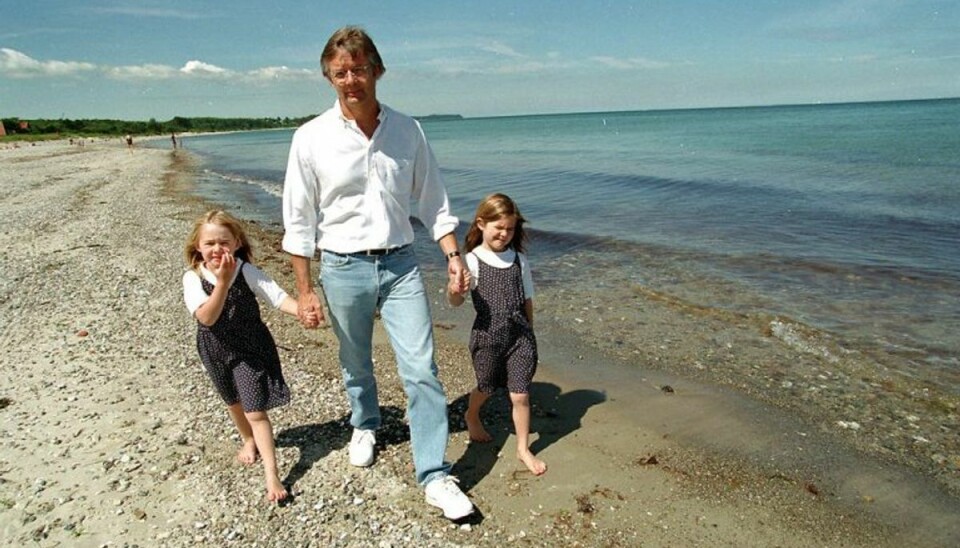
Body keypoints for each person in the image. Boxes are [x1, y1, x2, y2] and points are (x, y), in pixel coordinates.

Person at [281, 26, 474, 520]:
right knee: (356, 359)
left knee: (422, 369)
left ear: (377, 71)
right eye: (341, 72)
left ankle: (433, 474)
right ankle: (364, 422)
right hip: (342, 266)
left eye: (360, 69)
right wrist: (305, 291)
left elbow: (434, 202)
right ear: (329, 78)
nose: (352, 80)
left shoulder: (408, 130)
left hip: (402, 263)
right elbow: (299, 222)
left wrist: (453, 256)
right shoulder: (310, 137)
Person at [183, 210, 312, 502]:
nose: (218, 249)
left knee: (255, 410)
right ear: (198, 247)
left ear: (237, 242)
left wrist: (302, 312)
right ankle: (247, 440)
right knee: (233, 401)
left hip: (250, 349)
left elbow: (277, 297)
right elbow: (207, 317)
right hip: (214, 348)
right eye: (210, 243)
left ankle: (272, 474)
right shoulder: (192, 278)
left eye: (224, 242)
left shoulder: (246, 271)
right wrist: (222, 284)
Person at [447, 193, 547, 476]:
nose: (504, 234)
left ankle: (523, 448)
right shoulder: (472, 260)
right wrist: (455, 290)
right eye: (498, 228)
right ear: (481, 224)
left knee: (520, 395)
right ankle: (472, 414)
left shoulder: (519, 260)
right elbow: (456, 302)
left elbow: (527, 299)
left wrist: (530, 331)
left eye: (510, 229)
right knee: (487, 386)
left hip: (520, 337)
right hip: (488, 337)